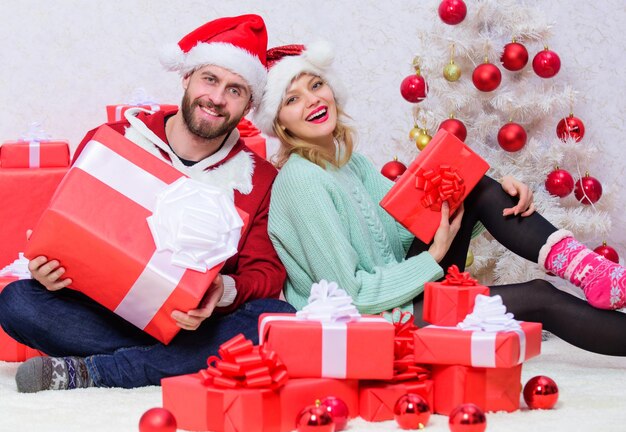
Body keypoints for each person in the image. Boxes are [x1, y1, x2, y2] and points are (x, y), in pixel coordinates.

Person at [255, 42, 626, 356]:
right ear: (281, 123)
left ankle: (591, 271)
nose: (312, 100)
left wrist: (500, 196)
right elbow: (352, 295)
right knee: (539, 297)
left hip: (395, 293)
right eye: (292, 98)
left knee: (474, 186)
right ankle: (594, 275)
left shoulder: (350, 162)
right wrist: (433, 257)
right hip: (367, 324)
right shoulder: (301, 180)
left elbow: (405, 230)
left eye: (316, 84)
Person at [0, 14, 295, 393]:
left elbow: (266, 274)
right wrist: (47, 272)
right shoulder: (112, 140)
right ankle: (170, 363)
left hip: (191, 324)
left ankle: (96, 372)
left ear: (248, 104)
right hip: (101, 312)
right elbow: (65, 224)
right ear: (186, 78)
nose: (218, 98)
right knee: (17, 303)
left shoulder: (259, 179)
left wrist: (222, 289)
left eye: (235, 90)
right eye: (210, 79)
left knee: (275, 317)